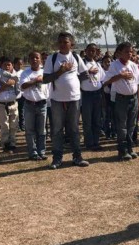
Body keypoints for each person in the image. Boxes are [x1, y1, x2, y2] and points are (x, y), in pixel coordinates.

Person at [42, 32, 90, 169]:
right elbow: (45, 79)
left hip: (74, 99)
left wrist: (73, 84)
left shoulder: (76, 57)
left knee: (74, 129)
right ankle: (57, 159)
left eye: (65, 42)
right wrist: (61, 72)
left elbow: (85, 74)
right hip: (57, 100)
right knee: (57, 130)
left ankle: (77, 157)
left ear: (72, 44)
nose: (62, 44)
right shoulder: (52, 58)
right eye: (60, 42)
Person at [102, 42, 139, 161]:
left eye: (131, 51)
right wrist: (120, 76)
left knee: (132, 125)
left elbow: (138, 83)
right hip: (121, 99)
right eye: (126, 51)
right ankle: (122, 150)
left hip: (134, 98)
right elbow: (106, 81)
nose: (129, 54)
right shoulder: (114, 66)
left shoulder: (134, 65)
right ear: (119, 53)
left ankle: (130, 147)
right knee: (122, 126)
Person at [20, 51, 49, 160]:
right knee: (30, 130)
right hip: (29, 105)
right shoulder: (25, 73)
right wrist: (36, 80)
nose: (34, 60)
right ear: (29, 60)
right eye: (32, 58)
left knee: (42, 131)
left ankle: (41, 151)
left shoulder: (45, 72)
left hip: (42, 104)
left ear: (40, 59)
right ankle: (33, 153)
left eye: (37, 58)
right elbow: (23, 86)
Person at [80, 43, 106, 151]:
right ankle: (89, 143)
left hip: (97, 94)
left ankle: (96, 142)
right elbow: (76, 77)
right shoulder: (81, 64)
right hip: (86, 95)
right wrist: (88, 72)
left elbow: (103, 79)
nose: (91, 52)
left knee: (96, 119)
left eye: (94, 51)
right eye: (90, 50)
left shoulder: (98, 64)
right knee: (87, 120)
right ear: (85, 51)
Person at [0, 57, 20, 152]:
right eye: (5, 65)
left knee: (14, 125)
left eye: (9, 64)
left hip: (13, 103)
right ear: (1, 65)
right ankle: (5, 144)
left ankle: (12, 143)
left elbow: (19, 90)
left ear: (12, 65)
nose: (7, 66)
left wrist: (14, 82)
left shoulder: (16, 76)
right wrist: (7, 85)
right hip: (2, 104)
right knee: (5, 125)